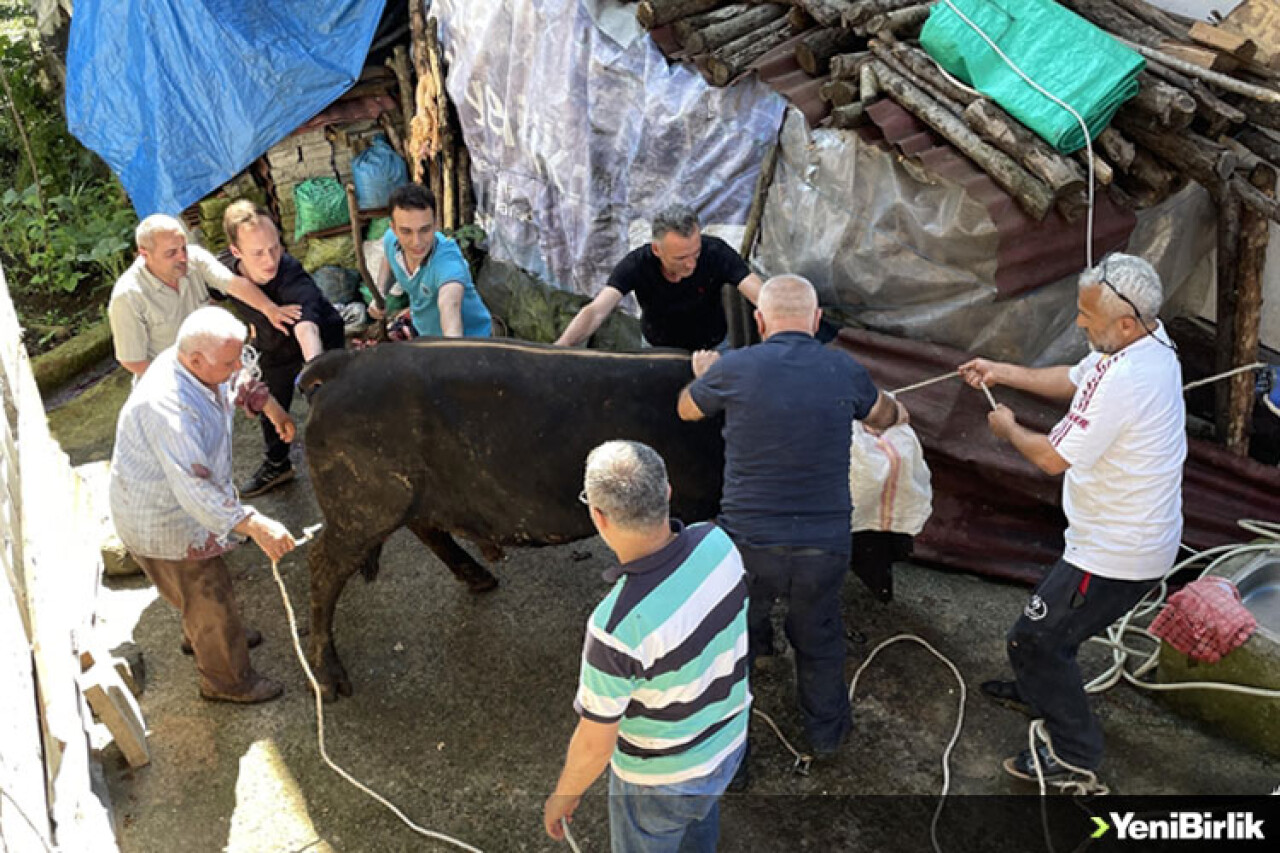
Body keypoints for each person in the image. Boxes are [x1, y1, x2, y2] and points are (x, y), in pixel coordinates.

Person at [958, 253, 1185, 788]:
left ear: (1125, 322)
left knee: (1033, 640)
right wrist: (1000, 371)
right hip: (1113, 534)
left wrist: (1007, 428)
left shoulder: (1128, 377)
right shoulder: (1146, 339)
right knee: (1050, 632)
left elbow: (1051, 458)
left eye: (1088, 317)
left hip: (1117, 550)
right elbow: (1072, 377)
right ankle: (1041, 689)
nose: (1079, 324)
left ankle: (1074, 754)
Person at [677, 275, 904, 766]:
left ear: (760, 322)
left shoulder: (734, 368)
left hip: (749, 546)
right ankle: (827, 736)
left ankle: (729, 759)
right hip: (823, 547)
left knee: (730, 646)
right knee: (819, 636)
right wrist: (890, 405)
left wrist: (702, 374)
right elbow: (884, 416)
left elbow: (687, 409)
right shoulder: (843, 369)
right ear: (817, 322)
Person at [544, 441, 750, 853]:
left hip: (659, 781)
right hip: (727, 744)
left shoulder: (616, 628)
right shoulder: (719, 543)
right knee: (699, 824)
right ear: (668, 492)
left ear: (598, 518)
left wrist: (563, 796)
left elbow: (593, 743)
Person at [109, 307, 298, 703]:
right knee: (208, 590)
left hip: (175, 506)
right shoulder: (167, 408)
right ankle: (226, 679)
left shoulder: (199, 362)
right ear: (195, 360)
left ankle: (204, 634)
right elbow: (194, 490)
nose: (237, 367)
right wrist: (255, 524)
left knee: (194, 594)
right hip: (165, 520)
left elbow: (236, 378)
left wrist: (268, 405)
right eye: (229, 361)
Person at [219, 200, 345, 497]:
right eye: (258, 253)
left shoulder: (291, 275)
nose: (270, 260)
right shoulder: (222, 270)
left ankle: (348, 455)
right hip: (271, 345)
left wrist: (317, 372)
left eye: (275, 247)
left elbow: (307, 330)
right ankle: (278, 465)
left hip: (320, 338)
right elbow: (209, 293)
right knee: (270, 405)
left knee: (333, 400)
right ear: (236, 253)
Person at [108, 214, 301, 378]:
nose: (183, 257)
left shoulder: (195, 258)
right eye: (171, 253)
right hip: (169, 379)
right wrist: (182, 383)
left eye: (183, 247)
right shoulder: (127, 297)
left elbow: (233, 284)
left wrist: (270, 309)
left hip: (212, 364)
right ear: (144, 254)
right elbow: (132, 360)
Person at [554, 204, 764, 351]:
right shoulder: (637, 264)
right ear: (657, 249)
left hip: (713, 348)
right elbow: (595, 312)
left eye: (696, 253)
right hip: (657, 350)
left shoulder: (716, 252)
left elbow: (761, 296)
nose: (691, 263)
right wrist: (560, 348)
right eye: (681, 257)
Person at [366, 183, 492, 338]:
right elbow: (388, 259)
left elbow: (450, 306)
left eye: (425, 230)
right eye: (406, 231)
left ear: (436, 225)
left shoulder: (448, 264)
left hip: (468, 343)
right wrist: (380, 292)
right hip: (425, 331)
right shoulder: (391, 240)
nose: (417, 242)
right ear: (394, 229)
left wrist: (452, 350)